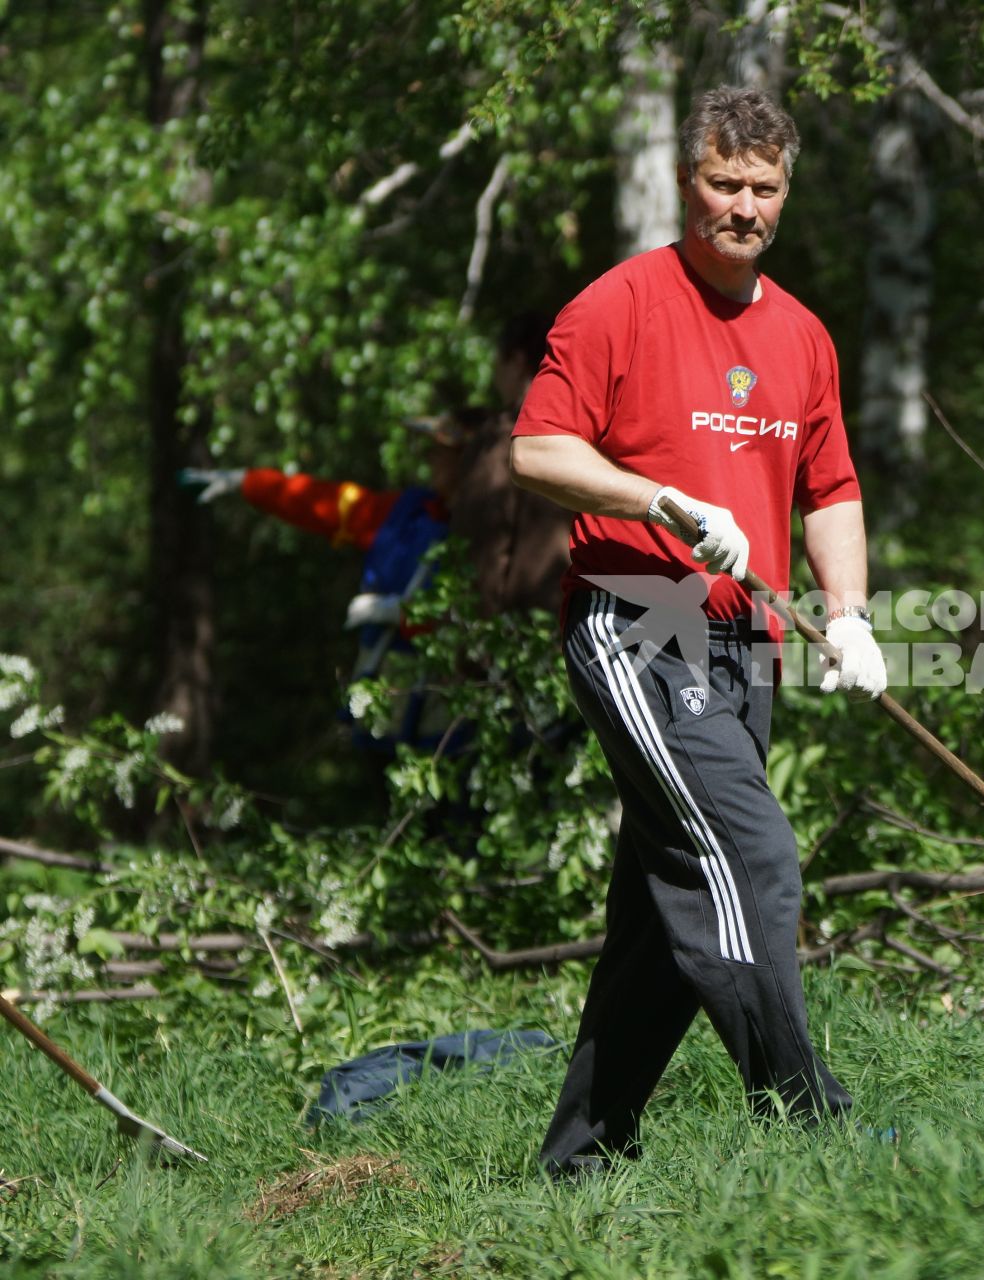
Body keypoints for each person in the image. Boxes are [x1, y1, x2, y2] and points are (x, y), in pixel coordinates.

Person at [508, 85, 889, 1176]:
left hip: (748, 636)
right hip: (645, 615)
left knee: (663, 904)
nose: (744, 206)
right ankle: (812, 1121)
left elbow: (834, 488)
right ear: (690, 183)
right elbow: (537, 452)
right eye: (725, 184)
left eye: (763, 189)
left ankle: (580, 1157)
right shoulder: (619, 304)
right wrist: (657, 500)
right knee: (750, 853)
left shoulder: (802, 335)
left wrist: (850, 614)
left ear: (785, 193)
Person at [180, 417, 476, 750]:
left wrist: (405, 614)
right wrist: (248, 482)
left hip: (453, 735)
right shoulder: (408, 512)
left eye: (442, 452)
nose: (431, 459)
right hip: (385, 727)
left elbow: (488, 611)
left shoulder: (493, 531)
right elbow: (321, 501)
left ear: (471, 460)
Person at [447, 313, 574, 619]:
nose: (495, 376)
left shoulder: (502, 438)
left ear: (516, 361)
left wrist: (474, 637)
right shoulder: (584, 430)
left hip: (514, 639)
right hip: (582, 628)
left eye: (497, 364)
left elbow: (484, 544)